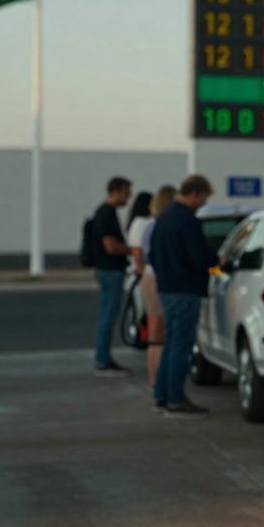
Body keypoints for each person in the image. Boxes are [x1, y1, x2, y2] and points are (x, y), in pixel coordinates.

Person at [148, 175, 219, 417]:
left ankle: (162, 394)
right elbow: (199, 258)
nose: (204, 203)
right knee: (181, 346)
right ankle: (176, 398)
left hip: (167, 288)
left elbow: (153, 256)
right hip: (186, 289)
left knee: (171, 344)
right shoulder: (188, 221)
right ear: (196, 194)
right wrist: (219, 261)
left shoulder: (164, 218)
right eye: (204, 197)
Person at [90, 176, 133, 376]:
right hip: (109, 270)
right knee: (108, 316)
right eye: (126, 192)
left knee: (108, 315)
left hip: (109, 270)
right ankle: (102, 360)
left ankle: (104, 358)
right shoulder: (105, 214)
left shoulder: (108, 213)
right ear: (115, 191)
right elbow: (111, 246)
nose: (129, 197)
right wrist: (133, 250)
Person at [136, 185, 177, 391]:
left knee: (154, 334)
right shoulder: (162, 226)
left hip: (148, 277)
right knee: (162, 334)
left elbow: (145, 255)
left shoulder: (149, 226)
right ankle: (161, 379)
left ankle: (154, 378)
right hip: (160, 279)